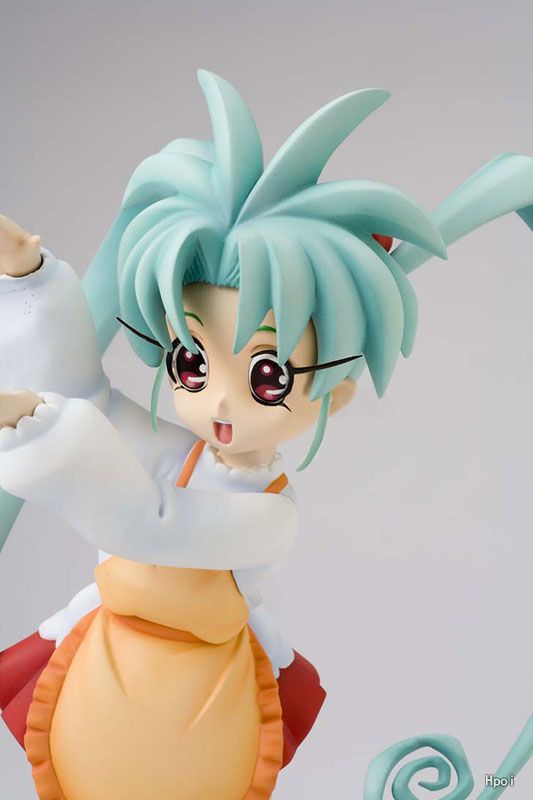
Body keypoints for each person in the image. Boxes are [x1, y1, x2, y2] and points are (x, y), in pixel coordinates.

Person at [0, 70, 531, 800]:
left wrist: (40, 426)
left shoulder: (267, 516)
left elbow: (150, 522)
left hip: (198, 716)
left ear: (336, 391)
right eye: (191, 361)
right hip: (100, 689)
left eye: (267, 375)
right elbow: (83, 397)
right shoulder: (174, 451)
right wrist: (30, 278)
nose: (218, 397)